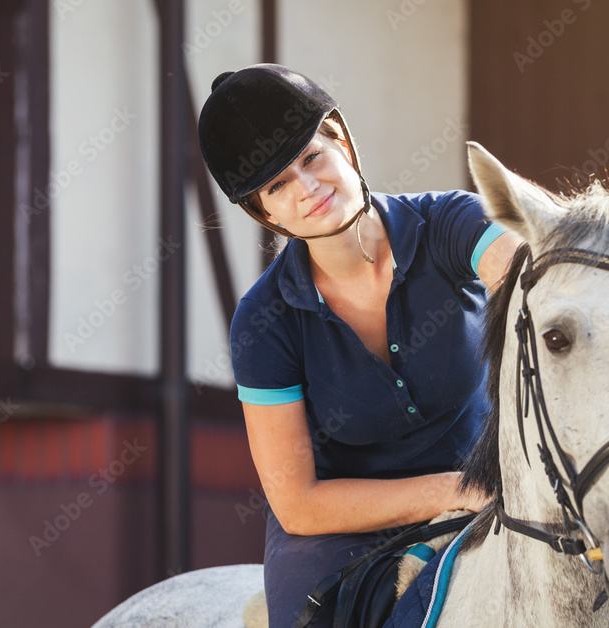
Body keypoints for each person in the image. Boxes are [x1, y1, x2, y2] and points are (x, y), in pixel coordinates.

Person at [197, 64, 522, 627]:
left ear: (341, 139)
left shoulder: (452, 221)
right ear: (262, 212)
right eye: (277, 186)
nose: (308, 189)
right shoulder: (264, 320)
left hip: (496, 483)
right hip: (341, 530)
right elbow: (298, 503)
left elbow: (535, 284)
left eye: (311, 157)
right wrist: (454, 490)